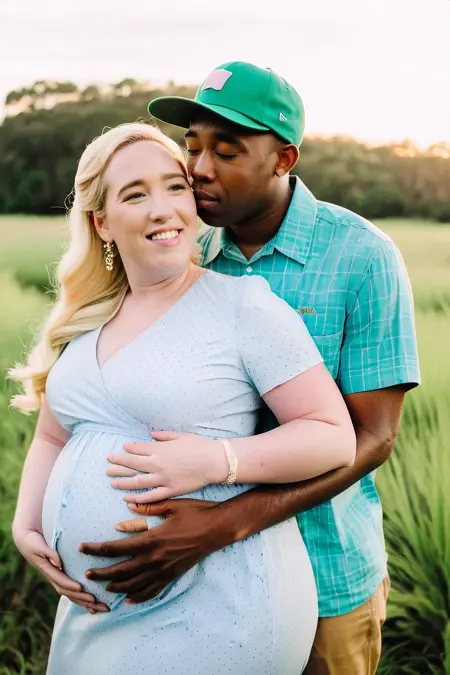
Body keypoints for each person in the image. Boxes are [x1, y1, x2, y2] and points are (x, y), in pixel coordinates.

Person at [80, 62, 420, 675]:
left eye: (227, 150)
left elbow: (373, 437)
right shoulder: (185, 250)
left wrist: (223, 524)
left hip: (326, 575)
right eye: (193, 147)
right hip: (199, 583)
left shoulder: (362, 256)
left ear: (283, 159)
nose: (200, 168)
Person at [10, 122, 356, 675]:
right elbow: (53, 435)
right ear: (101, 222)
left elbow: (333, 436)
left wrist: (218, 461)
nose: (162, 209)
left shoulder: (244, 307)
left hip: (219, 605)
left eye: (175, 187)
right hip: (93, 616)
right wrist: (27, 523)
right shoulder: (86, 320)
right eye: (135, 195)